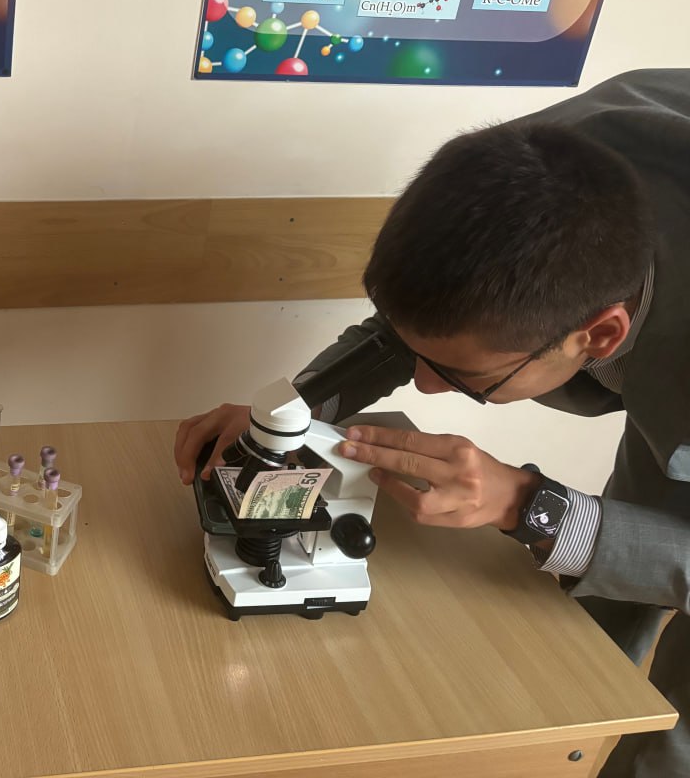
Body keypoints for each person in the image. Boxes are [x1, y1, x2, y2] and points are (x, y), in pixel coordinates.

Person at [175, 69, 690, 778]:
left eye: (463, 374)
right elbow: (419, 325)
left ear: (599, 336)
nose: (423, 384)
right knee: (591, 639)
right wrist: (289, 415)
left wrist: (527, 505)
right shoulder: (521, 182)